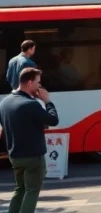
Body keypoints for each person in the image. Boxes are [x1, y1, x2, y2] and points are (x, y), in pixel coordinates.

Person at [0, 67, 59, 213]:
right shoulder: (30, 104)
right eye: (38, 82)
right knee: (32, 191)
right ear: (30, 82)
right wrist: (47, 102)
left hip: (15, 155)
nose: (40, 86)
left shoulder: (5, 102)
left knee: (20, 189)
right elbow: (53, 120)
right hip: (33, 156)